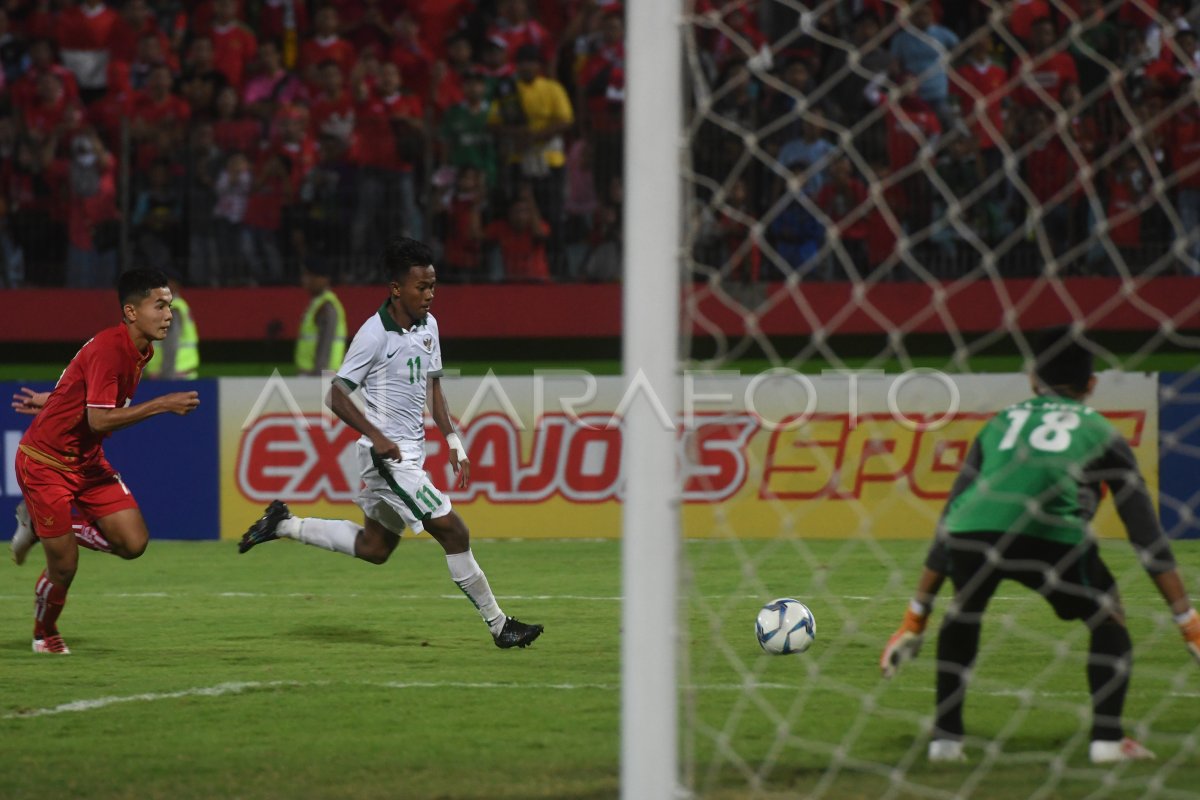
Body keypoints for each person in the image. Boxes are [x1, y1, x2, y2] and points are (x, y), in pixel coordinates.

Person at [880, 328, 1200, 764]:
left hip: (975, 531)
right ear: (1091, 384)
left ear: (1033, 379)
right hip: (1051, 534)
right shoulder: (1101, 432)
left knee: (962, 614)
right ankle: (1107, 741)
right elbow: (1145, 533)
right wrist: (1188, 621)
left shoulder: (999, 424)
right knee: (1109, 618)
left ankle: (945, 742)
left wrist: (914, 619)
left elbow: (952, 516)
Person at [239, 237, 543, 649]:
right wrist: (378, 436)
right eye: (422, 287)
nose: (430, 295)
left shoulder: (429, 326)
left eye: (433, 286)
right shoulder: (373, 335)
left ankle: (284, 523)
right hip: (388, 458)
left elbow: (433, 388)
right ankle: (499, 625)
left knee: (375, 547)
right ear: (396, 288)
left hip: (409, 452)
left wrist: (453, 438)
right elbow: (337, 395)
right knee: (454, 532)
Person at [10, 269, 200, 653]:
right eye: (159, 305)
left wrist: (55, 400)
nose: (168, 315)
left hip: (86, 460)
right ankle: (44, 633)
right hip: (45, 462)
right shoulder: (112, 347)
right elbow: (99, 418)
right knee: (64, 568)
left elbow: (87, 386)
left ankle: (42, 528)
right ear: (131, 311)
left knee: (133, 543)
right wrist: (163, 403)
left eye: (170, 306)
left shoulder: (139, 348)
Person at [145, 268, 200, 379]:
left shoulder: (171, 309)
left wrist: (166, 376)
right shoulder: (178, 306)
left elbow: (171, 344)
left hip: (172, 376)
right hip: (181, 373)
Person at [294, 261, 346, 375]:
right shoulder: (318, 303)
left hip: (320, 374)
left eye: (309, 276)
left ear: (323, 279)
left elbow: (326, 344)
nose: (304, 280)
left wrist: (318, 377)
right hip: (317, 373)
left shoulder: (326, 307)